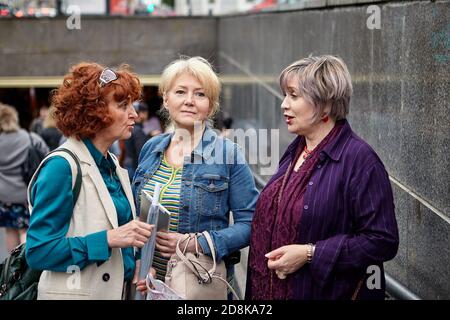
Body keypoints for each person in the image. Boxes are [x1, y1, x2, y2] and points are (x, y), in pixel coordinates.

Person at [246, 55, 399, 300]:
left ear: (325, 104)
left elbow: (382, 240)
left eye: (294, 96)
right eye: (285, 94)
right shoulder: (296, 149)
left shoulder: (360, 160)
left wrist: (310, 253)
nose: (284, 104)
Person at [25, 62, 153, 300]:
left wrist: (135, 264)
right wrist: (108, 239)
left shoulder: (112, 162)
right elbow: (38, 251)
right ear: (94, 111)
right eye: (123, 105)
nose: (134, 114)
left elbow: (121, 232)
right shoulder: (61, 167)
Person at [133, 56, 259, 297]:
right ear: (166, 99)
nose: (189, 101)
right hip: (151, 285)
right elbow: (136, 218)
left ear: (210, 106)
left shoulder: (228, 154)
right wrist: (140, 262)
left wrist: (195, 243)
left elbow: (250, 224)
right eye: (180, 92)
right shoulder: (151, 148)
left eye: (200, 94)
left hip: (198, 285)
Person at [0, 103, 49, 252]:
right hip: (25, 193)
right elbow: (47, 156)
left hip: (4, 196)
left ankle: (13, 266)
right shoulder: (30, 138)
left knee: (10, 229)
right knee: (25, 230)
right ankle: (26, 265)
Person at [123, 102, 151, 179]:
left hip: (128, 163)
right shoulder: (138, 131)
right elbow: (140, 153)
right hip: (134, 166)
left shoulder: (131, 128)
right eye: (145, 112)